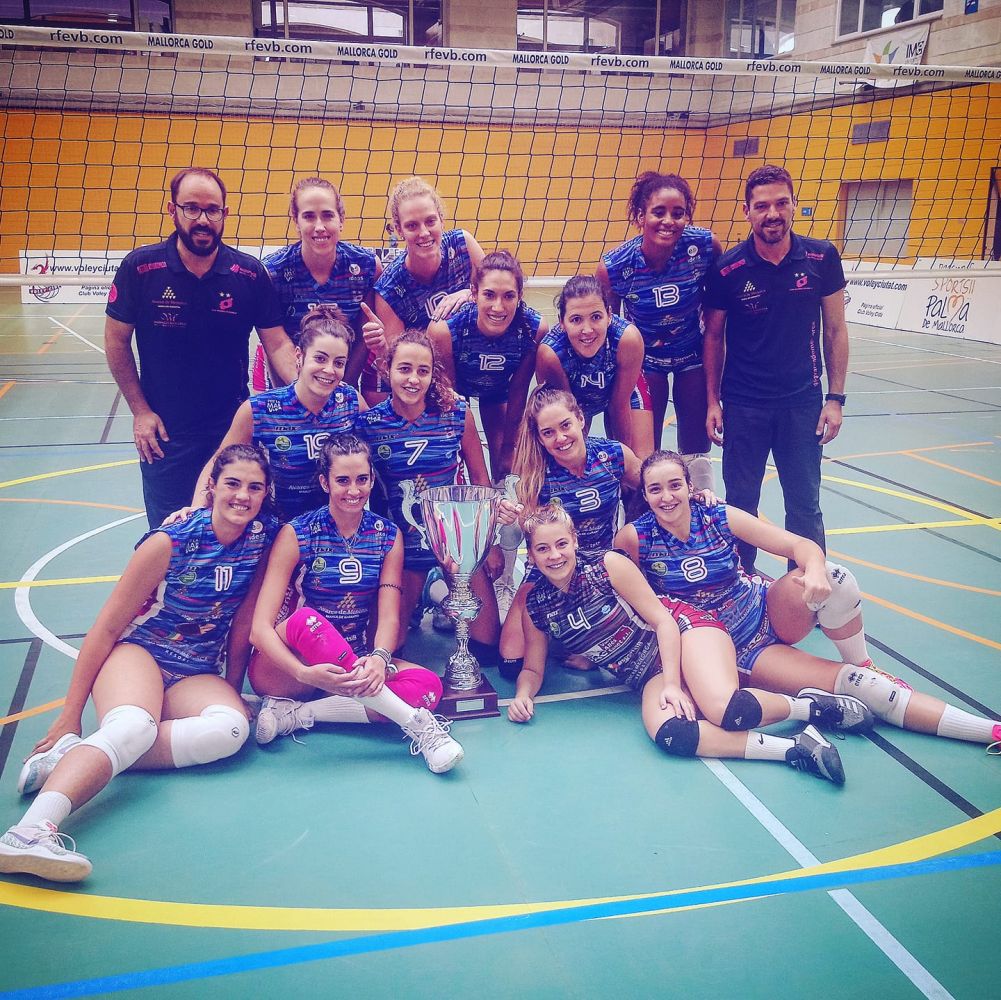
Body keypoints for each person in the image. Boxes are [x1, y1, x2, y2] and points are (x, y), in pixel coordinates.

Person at [0, 445, 278, 882]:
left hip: (196, 669)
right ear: (211, 487)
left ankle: (78, 756)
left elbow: (242, 624)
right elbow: (105, 629)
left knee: (229, 730)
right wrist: (70, 715)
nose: (242, 495)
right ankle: (28, 832)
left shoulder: (263, 540)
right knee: (133, 727)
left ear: (266, 494)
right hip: (139, 653)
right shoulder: (170, 541)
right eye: (232, 484)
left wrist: (232, 687)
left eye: (255, 487)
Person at [615, 450, 1001, 750]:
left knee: (836, 578)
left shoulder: (716, 515)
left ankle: (865, 659)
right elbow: (629, 604)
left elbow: (800, 545)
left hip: (763, 611)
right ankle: (986, 731)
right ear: (644, 494)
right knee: (863, 688)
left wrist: (813, 570)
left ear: (689, 485)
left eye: (674, 485)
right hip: (729, 648)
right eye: (655, 489)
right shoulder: (634, 538)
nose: (667, 497)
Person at [506, 504, 850, 785]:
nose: (554, 555)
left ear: (574, 542)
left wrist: (673, 684)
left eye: (561, 544)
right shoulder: (537, 604)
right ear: (531, 555)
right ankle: (794, 749)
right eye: (543, 548)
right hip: (647, 672)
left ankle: (809, 708)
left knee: (725, 711)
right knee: (673, 734)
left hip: (686, 633)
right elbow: (533, 668)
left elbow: (663, 621)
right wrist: (523, 696)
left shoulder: (607, 565)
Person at [248, 434, 464, 773]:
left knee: (428, 687)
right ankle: (419, 728)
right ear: (324, 481)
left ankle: (298, 715)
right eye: (343, 480)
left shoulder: (387, 535)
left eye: (362, 479)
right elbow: (259, 631)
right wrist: (305, 672)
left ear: (372, 479)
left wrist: (379, 658)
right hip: (291, 669)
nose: (354, 490)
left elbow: (391, 615)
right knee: (307, 620)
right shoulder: (298, 533)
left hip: (353, 660)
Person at [105, 167, 297, 529]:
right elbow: (116, 340)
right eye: (191, 208)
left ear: (225, 213)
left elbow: (278, 344)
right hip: (165, 434)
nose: (202, 220)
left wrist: (310, 390)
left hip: (232, 431)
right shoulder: (141, 268)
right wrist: (140, 410)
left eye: (212, 210)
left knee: (233, 531)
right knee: (169, 535)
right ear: (172, 209)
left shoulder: (249, 274)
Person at [703, 163, 848, 575]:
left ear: (793, 206)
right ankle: (737, 585)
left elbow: (835, 331)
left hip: (802, 403)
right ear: (747, 211)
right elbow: (713, 337)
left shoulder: (822, 257)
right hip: (744, 404)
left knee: (804, 505)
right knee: (741, 504)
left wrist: (835, 399)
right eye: (762, 206)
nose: (772, 214)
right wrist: (713, 400)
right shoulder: (728, 269)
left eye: (781, 203)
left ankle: (807, 590)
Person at [353, 330, 507, 655]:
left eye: (423, 371)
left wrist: (489, 543)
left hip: (454, 543)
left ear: (433, 374)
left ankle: (441, 588)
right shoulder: (368, 425)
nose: (413, 379)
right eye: (404, 369)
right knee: (386, 649)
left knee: (489, 647)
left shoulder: (455, 414)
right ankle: (428, 593)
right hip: (402, 550)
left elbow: (480, 478)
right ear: (387, 369)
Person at [498, 385, 641, 677]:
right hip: (552, 567)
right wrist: (512, 516)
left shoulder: (613, 455)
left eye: (565, 425)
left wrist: (694, 493)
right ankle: (562, 627)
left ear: (580, 419)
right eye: (548, 432)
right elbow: (530, 526)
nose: (561, 438)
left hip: (601, 568)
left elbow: (654, 487)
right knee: (511, 663)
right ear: (539, 437)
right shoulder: (536, 472)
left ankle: (576, 629)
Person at [597, 172, 720, 489]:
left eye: (678, 213)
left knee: (696, 445)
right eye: (659, 212)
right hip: (645, 360)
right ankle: (639, 517)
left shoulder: (704, 247)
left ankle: (700, 509)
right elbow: (609, 329)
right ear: (640, 216)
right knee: (644, 451)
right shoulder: (615, 266)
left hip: (691, 353)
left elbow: (719, 304)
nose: (669, 221)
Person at [188, 304, 365, 523]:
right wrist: (197, 509)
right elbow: (220, 461)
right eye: (320, 358)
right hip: (278, 528)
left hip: (332, 529)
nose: (329, 370)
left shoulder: (349, 401)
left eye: (339, 363)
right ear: (299, 356)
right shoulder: (260, 410)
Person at [364, 176, 485, 405]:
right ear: (399, 230)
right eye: (412, 225)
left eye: (430, 221)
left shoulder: (463, 246)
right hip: (402, 372)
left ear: (442, 219)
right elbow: (395, 360)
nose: (424, 232)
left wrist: (470, 293)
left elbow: (499, 289)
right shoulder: (389, 288)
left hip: (454, 358)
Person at [428, 250, 545, 482]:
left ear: (520, 295)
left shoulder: (534, 329)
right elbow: (448, 396)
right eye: (489, 295)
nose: (498, 307)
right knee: (459, 460)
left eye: (509, 296)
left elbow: (519, 390)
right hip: (456, 389)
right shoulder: (445, 330)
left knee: (508, 463)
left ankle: (502, 506)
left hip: (497, 391)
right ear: (474, 293)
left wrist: (509, 446)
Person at [258, 176, 384, 390]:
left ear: (341, 219)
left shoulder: (366, 267)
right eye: (308, 216)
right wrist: (302, 391)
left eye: (327, 215)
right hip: (288, 385)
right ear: (296, 222)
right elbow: (276, 343)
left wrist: (342, 389)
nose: (319, 226)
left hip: (341, 383)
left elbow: (363, 339)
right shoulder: (273, 272)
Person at [535, 274, 653, 458]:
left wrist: (625, 462)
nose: (587, 330)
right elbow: (566, 414)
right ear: (562, 323)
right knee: (570, 463)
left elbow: (619, 404)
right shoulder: (551, 354)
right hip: (575, 400)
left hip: (621, 394)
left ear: (609, 315)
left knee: (640, 469)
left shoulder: (627, 339)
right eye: (576, 320)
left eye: (596, 317)